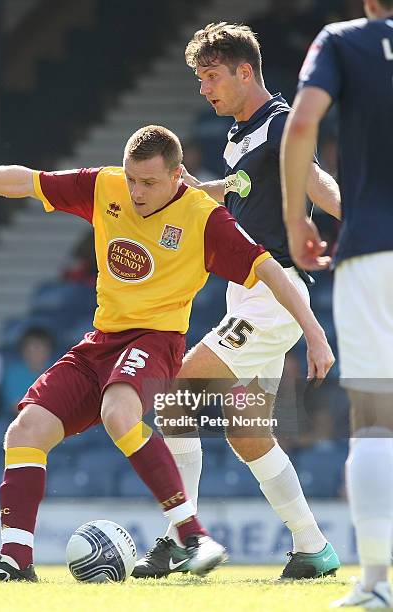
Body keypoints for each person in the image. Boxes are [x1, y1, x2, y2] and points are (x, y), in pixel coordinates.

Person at [0, 124, 333, 583]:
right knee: (25, 431)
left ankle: (191, 534)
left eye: (149, 183)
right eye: (132, 179)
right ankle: (13, 561)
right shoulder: (105, 186)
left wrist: (314, 333)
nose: (137, 192)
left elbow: (268, 269)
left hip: (156, 341)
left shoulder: (203, 217)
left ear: (178, 176)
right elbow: (25, 180)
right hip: (102, 341)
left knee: (120, 412)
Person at [133, 22, 342, 580]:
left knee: (178, 393)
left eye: (210, 77)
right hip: (249, 293)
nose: (204, 90)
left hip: (273, 297)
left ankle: (181, 539)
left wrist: (372, 226)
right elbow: (248, 189)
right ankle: (313, 547)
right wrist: (204, 191)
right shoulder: (238, 136)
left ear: (244, 72)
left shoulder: (280, 126)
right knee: (247, 431)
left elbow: (316, 184)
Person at [280, 0, 393, 606]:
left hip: (374, 249)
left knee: (376, 417)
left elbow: (301, 126)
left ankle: (377, 583)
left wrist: (297, 216)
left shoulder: (343, 41)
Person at [0, 327, 54, 413]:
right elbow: (17, 408)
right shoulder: (13, 373)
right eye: (31, 348)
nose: (35, 353)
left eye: (39, 348)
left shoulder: (58, 370)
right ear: (23, 350)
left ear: (48, 350)